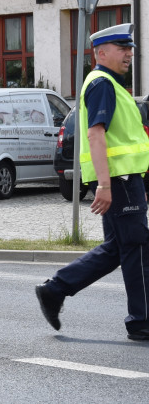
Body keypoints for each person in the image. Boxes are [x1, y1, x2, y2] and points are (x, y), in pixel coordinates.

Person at [35, 23, 149, 342]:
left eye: (129, 49)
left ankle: (54, 290)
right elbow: (95, 134)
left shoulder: (109, 82)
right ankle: (141, 320)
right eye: (122, 48)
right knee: (137, 247)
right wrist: (105, 185)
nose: (129, 54)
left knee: (119, 248)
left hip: (124, 178)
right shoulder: (102, 83)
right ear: (101, 52)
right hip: (120, 179)